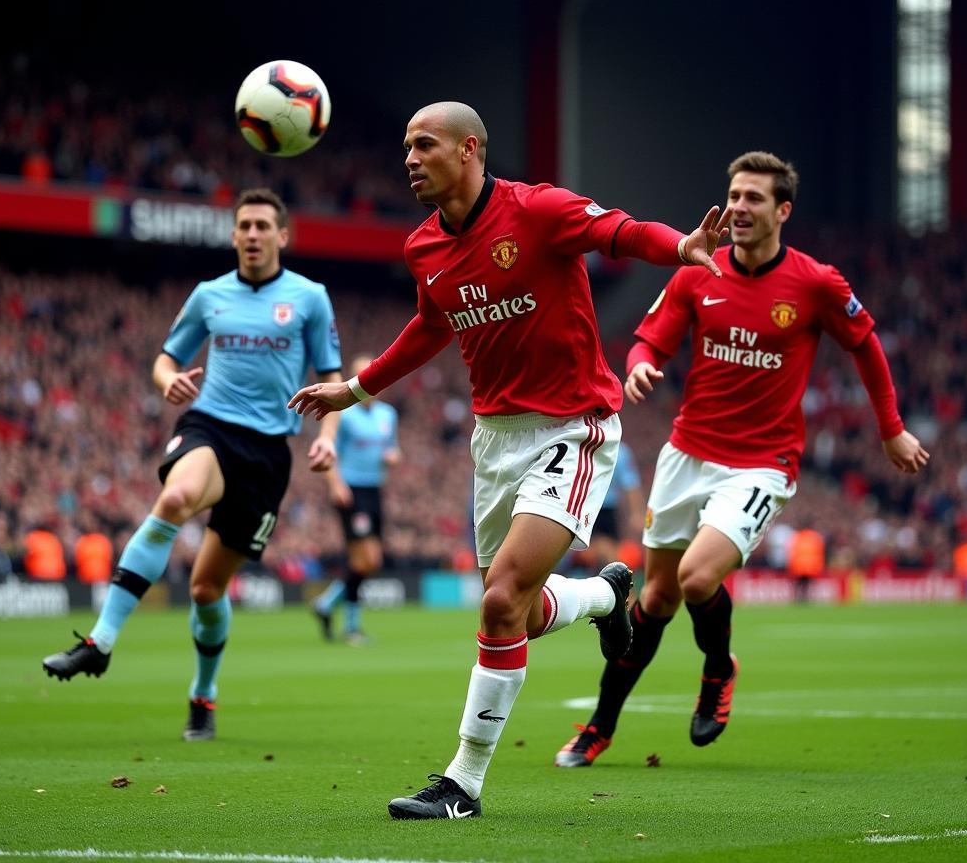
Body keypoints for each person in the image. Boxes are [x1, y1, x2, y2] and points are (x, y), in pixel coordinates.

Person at [289, 101, 730, 820]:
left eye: (422, 144)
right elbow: (431, 326)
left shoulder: (538, 210)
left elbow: (619, 231)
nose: (408, 158)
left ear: (468, 150)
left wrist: (680, 247)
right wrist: (355, 390)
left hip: (575, 425)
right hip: (495, 441)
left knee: (498, 604)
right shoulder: (423, 248)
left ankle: (461, 783)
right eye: (404, 146)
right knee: (517, 617)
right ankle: (601, 597)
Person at [554, 150, 930, 768]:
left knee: (698, 578)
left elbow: (865, 344)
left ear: (782, 210)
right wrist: (641, 363)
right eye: (734, 196)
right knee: (656, 601)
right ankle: (600, 727)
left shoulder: (815, 283)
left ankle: (717, 669)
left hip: (762, 461)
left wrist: (890, 430)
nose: (739, 208)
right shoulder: (698, 272)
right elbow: (653, 334)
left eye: (754, 198)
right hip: (687, 452)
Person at [42, 188, 344, 742]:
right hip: (209, 425)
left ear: (282, 235)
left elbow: (331, 376)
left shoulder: (310, 298)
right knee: (176, 498)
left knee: (206, 591)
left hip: (268, 453)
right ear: (233, 236)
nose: (252, 234)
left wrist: (327, 437)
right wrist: (168, 381)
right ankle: (99, 642)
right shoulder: (210, 295)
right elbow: (165, 359)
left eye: (262, 226)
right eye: (244, 226)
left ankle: (203, 695)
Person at [312, 353, 402, 645]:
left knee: (369, 562)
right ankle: (351, 627)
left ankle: (326, 605)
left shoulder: (388, 415)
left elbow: (392, 449)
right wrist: (335, 484)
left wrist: (393, 457)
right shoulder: (344, 414)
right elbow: (328, 452)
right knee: (365, 559)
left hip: (374, 490)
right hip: (351, 489)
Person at [584, 439, 645, 572]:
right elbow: (631, 483)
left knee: (606, 552)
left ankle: (621, 584)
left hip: (603, 509)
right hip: (583, 507)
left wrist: (637, 513)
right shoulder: (583, 442)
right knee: (595, 555)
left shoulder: (619, 450)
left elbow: (631, 483)